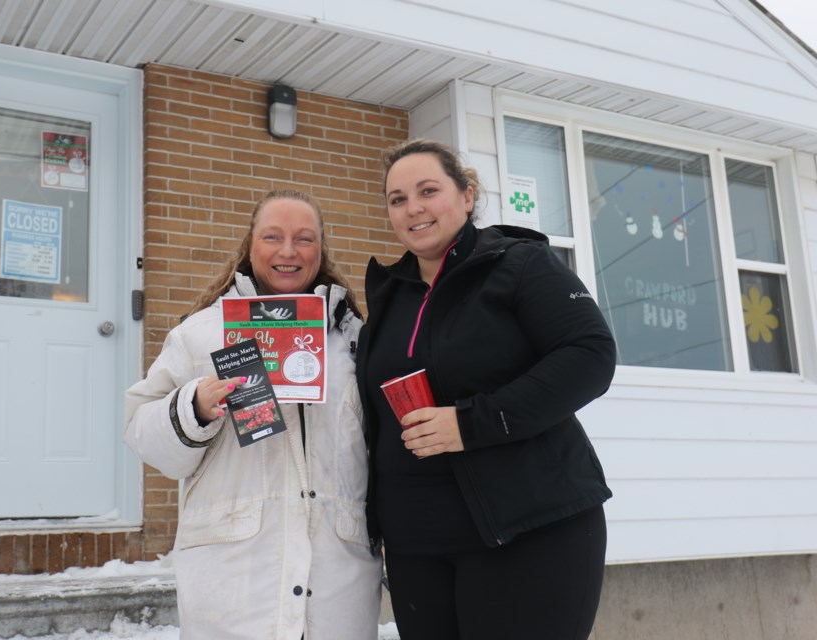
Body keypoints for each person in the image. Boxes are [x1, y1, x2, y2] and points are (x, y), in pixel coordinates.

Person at [356, 139, 617, 639]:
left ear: (467, 194)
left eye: (428, 190)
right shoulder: (390, 298)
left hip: (528, 529)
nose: (413, 208)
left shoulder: (520, 265)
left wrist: (471, 422)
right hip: (419, 550)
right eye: (397, 199)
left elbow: (590, 354)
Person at [124, 189, 382, 640]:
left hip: (336, 586)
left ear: (321, 250)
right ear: (249, 245)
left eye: (304, 239)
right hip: (237, 588)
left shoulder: (354, 341)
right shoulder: (202, 334)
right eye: (272, 237)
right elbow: (142, 432)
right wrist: (194, 409)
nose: (288, 251)